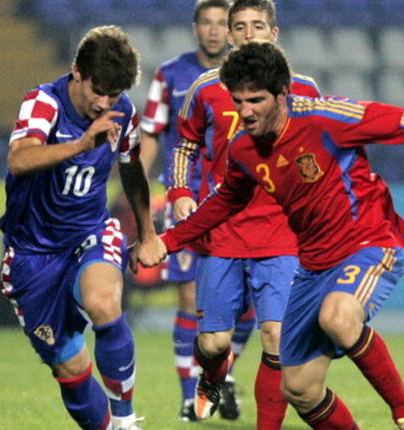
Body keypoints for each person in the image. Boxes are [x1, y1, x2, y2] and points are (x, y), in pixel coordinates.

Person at [136, 40, 404, 429]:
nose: (244, 112)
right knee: (300, 389)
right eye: (238, 101)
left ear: (282, 94)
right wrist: (166, 242)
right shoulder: (243, 148)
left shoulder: (326, 118)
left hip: (368, 244)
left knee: (338, 317)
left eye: (255, 100)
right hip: (312, 267)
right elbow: (224, 203)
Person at [166, 0, 320, 427]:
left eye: (258, 25)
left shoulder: (304, 89)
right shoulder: (205, 88)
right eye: (240, 26)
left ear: (274, 34)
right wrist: (180, 192)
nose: (248, 33)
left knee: (276, 336)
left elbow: (322, 151)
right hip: (224, 230)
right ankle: (212, 377)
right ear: (230, 35)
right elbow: (184, 145)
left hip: (282, 233)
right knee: (213, 343)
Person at [0, 26, 161, 430]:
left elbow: (131, 168)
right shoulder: (43, 102)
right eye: (98, 91)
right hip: (32, 252)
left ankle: (125, 421)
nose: (104, 103)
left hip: (90, 232)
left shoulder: (122, 111)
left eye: (114, 93)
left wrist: (147, 232)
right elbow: (20, 160)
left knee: (104, 303)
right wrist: (80, 144)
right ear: (77, 72)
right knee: (69, 369)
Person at [139, 0, 251, 422]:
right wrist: (138, 192)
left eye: (222, 23)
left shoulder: (249, 74)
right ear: (195, 28)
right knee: (190, 298)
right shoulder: (170, 74)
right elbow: (151, 133)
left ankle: (220, 376)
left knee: (247, 307)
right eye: (206, 22)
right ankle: (192, 395)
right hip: (186, 199)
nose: (214, 30)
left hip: (239, 201)